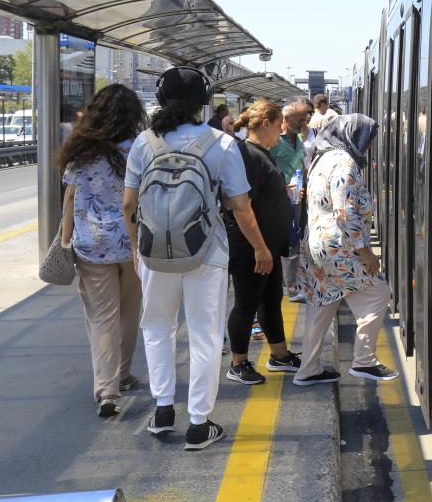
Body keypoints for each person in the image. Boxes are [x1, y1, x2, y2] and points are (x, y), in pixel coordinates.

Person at [122, 66, 273, 451]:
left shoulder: (145, 142)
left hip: (154, 252)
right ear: (204, 104)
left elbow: (128, 204)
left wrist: (137, 246)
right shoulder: (221, 144)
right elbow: (241, 207)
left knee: (157, 328)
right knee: (205, 334)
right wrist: (260, 246)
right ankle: (198, 423)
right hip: (207, 251)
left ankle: (162, 410)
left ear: (160, 100)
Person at [57, 84, 148, 419]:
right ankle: (122, 374)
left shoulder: (81, 150)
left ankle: (107, 391)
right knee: (128, 312)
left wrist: (65, 242)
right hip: (133, 242)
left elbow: (70, 199)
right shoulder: (140, 147)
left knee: (101, 317)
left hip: (92, 245)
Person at [295, 114, 396, 384]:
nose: (369, 145)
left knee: (322, 305)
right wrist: (365, 253)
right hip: (340, 247)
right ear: (352, 135)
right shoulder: (344, 163)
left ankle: (308, 370)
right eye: (367, 138)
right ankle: (364, 361)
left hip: (317, 245)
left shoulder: (321, 157)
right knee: (378, 292)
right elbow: (345, 213)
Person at [224, 100, 303, 384]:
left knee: (271, 299)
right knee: (246, 302)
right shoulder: (248, 155)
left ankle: (279, 354)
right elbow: (241, 205)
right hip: (252, 246)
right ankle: (238, 362)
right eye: (280, 121)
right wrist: (259, 247)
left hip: (267, 245)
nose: (283, 129)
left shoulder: (260, 153)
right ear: (266, 123)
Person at [270, 99, 312, 302]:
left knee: (295, 241)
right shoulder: (275, 142)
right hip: (280, 199)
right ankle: (290, 287)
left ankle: (291, 284)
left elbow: (302, 167)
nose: (304, 123)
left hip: (298, 199)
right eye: (300, 119)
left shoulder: (299, 141)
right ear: (286, 119)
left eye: (305, 119)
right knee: (287, 242)